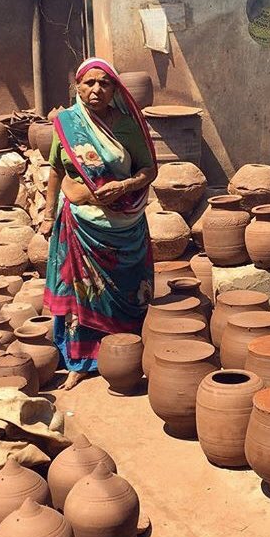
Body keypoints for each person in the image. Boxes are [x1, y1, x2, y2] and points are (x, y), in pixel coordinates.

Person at [40, 58, 157, 389]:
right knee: (82, 294)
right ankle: (80, 361)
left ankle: (128, 354)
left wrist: (124, 186)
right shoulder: (66, 124)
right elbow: (56, 170)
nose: (96, 90)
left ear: (115, 89)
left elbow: (149, 170)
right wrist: (47, 214)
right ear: (77, 87)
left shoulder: (127, 125)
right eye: (89, 83)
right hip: (80, 226)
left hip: (125, 224)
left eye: (104, 83)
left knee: (127, 288)